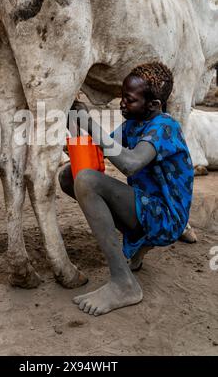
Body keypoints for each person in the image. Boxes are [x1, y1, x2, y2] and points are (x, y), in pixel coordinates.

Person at [59, 62, 194, 316]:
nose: (122, 104)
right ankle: (139, 247)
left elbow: (130, 163)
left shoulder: (165, 127)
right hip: (146, 207)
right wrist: (75, 119)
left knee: (87, 181)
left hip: (166, 218)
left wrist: (91, 124)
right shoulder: (134, 122)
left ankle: (124, 283)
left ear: (153, 105)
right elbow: (103, 148)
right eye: (122, 97)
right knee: (69, 175)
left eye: (129, 100)